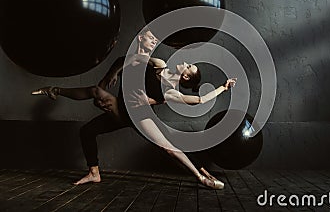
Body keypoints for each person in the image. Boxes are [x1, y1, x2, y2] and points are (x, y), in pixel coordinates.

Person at [32, 30, 236, 189]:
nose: (186, 62)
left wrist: (223, 88)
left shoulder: (171, 92)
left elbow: (200, 100)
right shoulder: (160, 64)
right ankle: (94, 173)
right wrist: (112, 75)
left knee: (168, 148)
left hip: (140, 117)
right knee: (87, 128)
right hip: (122, 110)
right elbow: (127, 59)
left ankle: (201, 177)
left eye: (189, 66)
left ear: (186, 77)